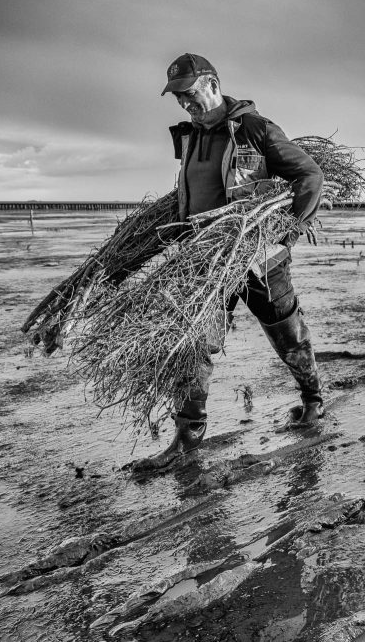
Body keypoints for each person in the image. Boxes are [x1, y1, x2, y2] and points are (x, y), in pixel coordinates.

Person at [128, 53, 325, 472]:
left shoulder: (255, 129)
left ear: (213, 83)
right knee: (192, 344)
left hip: (258, 260)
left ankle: (313, 399)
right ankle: (187, 437)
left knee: (286, 333)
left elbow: (310, 177)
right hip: (207, 265)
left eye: (189, 93)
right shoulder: (189, 136)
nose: (184, 103)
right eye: (177, 97)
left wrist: (284, 233)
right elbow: (193, 195)